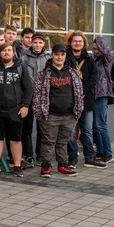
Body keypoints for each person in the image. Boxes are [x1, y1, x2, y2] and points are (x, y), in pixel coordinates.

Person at [32, 44, 84, 178]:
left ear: (65, 56)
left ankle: (62, 165)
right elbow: (37, 94)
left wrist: (78, 110)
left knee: (63, 141)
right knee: (48, 142)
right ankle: (46, 165)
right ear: (52, 55)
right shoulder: (43, 74)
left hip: (69, 115)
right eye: (56, 54)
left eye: (62, 54)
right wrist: (39, 113)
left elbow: (79, 92)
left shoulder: (73, 73)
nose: (59, 57)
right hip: (50, 115)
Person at [0, 43, 32, 177]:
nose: (6, 52)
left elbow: (28, 88)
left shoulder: (20, 67)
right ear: (0, 53)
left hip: (15, 109)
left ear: (13, 52)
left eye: (9, 50)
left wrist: (26, 106)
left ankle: (17, 166)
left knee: (15, 139)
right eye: (4, 50)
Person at [66, 31, 106, 169]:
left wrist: (80, 90)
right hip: (69, 100)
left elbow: (93, 79)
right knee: (71, 132)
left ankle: (89, 157)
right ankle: (72, 157)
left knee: (87, 131)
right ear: (70, 43)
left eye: (80, 41)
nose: (77, 43)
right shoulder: (65, 58)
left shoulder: (90, 59)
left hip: (86, 100)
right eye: (75, 41)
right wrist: (74, 92)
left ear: (84, 43)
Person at [21, 32, 50, 167]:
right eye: (35, 42)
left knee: (42, 129)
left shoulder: (48, 58)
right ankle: (28, 155)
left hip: (43, 99)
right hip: (27, 98)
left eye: (40, 43)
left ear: (43, 44)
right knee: (27, 129)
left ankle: (40, 155)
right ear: (31, 43)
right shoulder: (24, 59)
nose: (37, 45)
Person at [91, 36, 114, 164]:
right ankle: (100, 151)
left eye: (97, 48)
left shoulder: (107, 58)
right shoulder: (95, 59)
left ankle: (108, 152)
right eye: (94, 48)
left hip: (102, 95)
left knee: (101, 124)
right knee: (95, 125)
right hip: (93, 95)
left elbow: (106, 51)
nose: (95, 51)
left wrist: (98, 39)